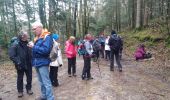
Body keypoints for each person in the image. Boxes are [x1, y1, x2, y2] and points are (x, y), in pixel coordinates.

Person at [28, 22, 54, 100]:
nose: (33, 31)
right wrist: (32, 47)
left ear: (40, 27)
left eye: (34, 29)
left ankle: (50, 98)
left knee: (46, 82)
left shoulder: (47, 37)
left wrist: (34, 47)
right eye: (32, 29)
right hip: (36, 62)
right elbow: (36, 50)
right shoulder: (37, 38)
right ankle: (44, 96)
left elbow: (46, 51)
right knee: (41, 81)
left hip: (43, 62)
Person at [8, 31, 33, 98]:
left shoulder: (29, 43)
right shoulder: (15, 44)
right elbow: (12, 55)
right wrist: (18, 62)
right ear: (23, 36)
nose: (28, 36)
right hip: (20, 64)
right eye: (26, 35)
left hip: (28, 63)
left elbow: (32, 52)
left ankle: (29, 89)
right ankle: (20, 91)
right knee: (20, 78)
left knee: (29, 77)